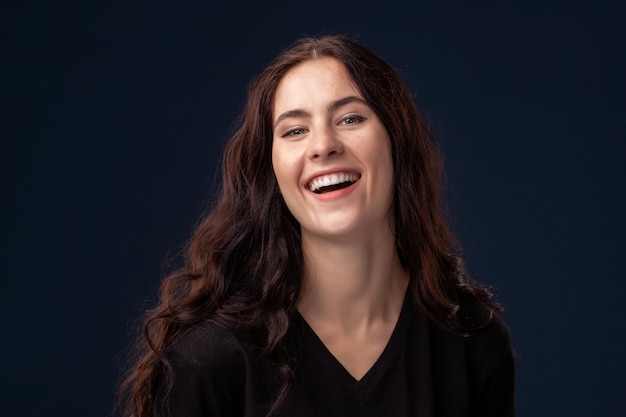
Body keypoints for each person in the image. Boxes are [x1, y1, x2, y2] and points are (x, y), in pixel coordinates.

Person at [119, 35, 515, 417]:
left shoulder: (473, 341)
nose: (323, 145)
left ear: (397, 142)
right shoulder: (210, 358)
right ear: (269, 170)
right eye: (294, 130)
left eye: (350, 118)